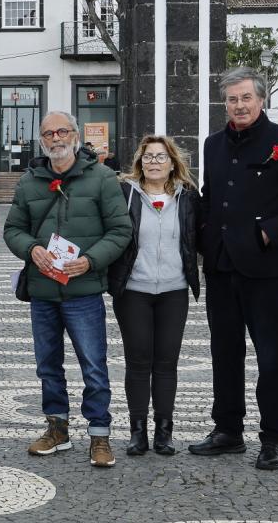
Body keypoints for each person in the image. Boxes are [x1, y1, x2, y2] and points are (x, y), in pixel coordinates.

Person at [190, 67, 278, 470]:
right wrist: (205, 238)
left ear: (261, 100)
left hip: (268, 269)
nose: (239, 105)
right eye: (232, 99)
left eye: (246, 98)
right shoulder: (212, 144)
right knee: (224, 353)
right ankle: (228, 429)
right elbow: (211, 197)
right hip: (222, 267)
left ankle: (274, 437)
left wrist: (269, 234)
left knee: (273, 357)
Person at [3, 110, 131, 468]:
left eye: (62, 131)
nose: (55, 138)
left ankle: (100, 435)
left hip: (84, 289)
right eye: (48, 134)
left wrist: (90, 261)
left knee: (93, 365)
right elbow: (12, 230)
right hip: (43, 291)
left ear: (75, 135)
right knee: (47, 366)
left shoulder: (103, 178)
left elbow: (121, 231)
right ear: (41, 140)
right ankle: (56, 428)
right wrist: (32, 249)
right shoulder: (30, 182)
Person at [107, 135, 200, 457]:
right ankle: (137, 431)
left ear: (172, 163)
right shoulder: (125, 193)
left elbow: (198, 236)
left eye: (161, 157)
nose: (154, 162)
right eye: (148, 157)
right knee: (138, 361)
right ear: (140, 161)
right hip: (134, 290)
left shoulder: (187, 196)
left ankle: (164, 431)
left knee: (166, 362)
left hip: (174, 289)